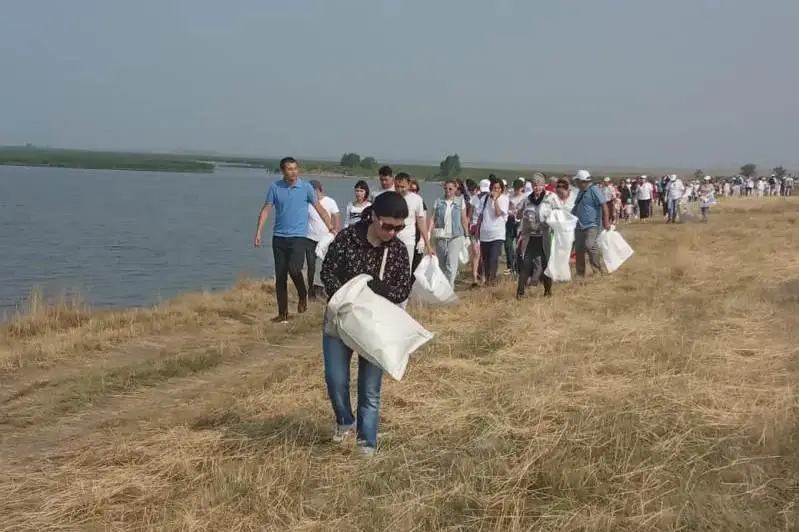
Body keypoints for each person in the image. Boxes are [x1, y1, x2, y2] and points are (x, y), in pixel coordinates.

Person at [320, 191, 411, 456]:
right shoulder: (347, 239)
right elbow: (326, 271)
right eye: (387, 226)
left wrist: (380, 289)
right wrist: (346, 292)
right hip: (340, 320)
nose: (392, 232)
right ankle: (345, 420)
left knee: (370, 388)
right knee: (336, 380)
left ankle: (366, 444)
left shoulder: (397, 250)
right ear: (372, 216)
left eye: (399, 227)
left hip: (375, 326)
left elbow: (402, 289)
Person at [254, 157, 333, 323]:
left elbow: (320, 209)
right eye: (289, 169)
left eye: (295, 168)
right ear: (283, 171)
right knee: (280, 276)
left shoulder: (305, 188)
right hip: (279, 237)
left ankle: (303, 294)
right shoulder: (275, 188)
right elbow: (266, 210)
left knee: (294, 269)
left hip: (298, 237)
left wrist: (331, 227)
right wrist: (258, 233)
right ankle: (283, 314)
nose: (293, 172)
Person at [516, 175, 558, 298]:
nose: (537, 187)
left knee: (546, 264)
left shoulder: (550, 198)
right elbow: (519, 214)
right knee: (526, 263)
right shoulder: (527, 199)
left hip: (546, 237)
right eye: (534, 185)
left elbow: (559, 214)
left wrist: (551, 222)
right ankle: (520, 292)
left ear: (544, 185)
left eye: (539, 184)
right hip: (531, 237)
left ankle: (548, 291)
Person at [429, 180, 469, 287]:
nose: (448, 191)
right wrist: (429, 233)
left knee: (451, 263)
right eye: (446, 188)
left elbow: (463, 219)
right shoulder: (438, 201)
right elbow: (432, 219)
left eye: (450, 189)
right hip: (441, 236)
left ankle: (450, 288)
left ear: (456, 189)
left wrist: (467, 235)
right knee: (442, 264)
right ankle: (442, 287)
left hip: (456, 236)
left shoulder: (460, 201)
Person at [305, 180, 340, 300]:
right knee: (311, 265)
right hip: (310, 238)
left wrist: (335, 231)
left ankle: (320, 289)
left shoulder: (330, 202)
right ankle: (310, 290)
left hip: (325, 239)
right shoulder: (307, 203)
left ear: (318, 190)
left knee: (323, 265)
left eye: (312, 191)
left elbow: (336, 216)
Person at [571, 170, 610, 278]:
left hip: (592, 224)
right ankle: (580, 273)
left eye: (577, 181)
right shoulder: (581, 191)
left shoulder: (594, 190)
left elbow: (604, 206)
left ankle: (597, 270)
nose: (576, 183)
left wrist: (606, 222)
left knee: (589, 244)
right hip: (579, 225)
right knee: (578, 249)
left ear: (582, 181)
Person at [393, 173, 433, 277]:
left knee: (406, 269)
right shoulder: (390, 197)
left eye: (403, 187)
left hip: (408, 239)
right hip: (391, 238)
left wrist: (428, 245)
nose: (400, 189)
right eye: (397, 186)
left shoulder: (417, 199)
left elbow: (421, 222)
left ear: (409, 184)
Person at [478, 176, 509, 285]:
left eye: (497, 188)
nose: (495, 190)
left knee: (493, 258)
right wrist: (477, 230)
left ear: (501, 189)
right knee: (485, 260)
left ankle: (492, 280)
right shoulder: (485, 199)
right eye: (493, 188)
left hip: (497, 234)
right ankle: (487, 280)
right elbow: (480, 215)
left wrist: (495, 200)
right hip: (485, 233)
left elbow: (498, 213)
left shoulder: (504, 199)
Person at [505, 178, 527, 274]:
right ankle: (510, 265)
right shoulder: (509, 197)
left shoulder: (525, 198)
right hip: (510, 221)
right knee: (508, 244)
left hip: (520, 222)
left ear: (522, 188)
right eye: (515, 187)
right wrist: (510, 212)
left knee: (519, 246)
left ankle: (519, 267)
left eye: (518, 188)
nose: (516, 189)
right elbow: (506, 209)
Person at [466, 179, 485, 287]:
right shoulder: (473, 199)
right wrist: (466, 230)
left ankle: (483, 276)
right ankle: (474, 278)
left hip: (485, 228)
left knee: (483, 254)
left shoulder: (488, 199)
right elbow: (469, 215)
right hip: (474, 227)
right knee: (475, 252)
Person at [409, 178, 428, 274]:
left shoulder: (420, 202)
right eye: (411, 190)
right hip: (407, 236)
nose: (413, 192)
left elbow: (423, 221)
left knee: (415, 265)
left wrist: (422, 240)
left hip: (417, 236)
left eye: (415, 190)